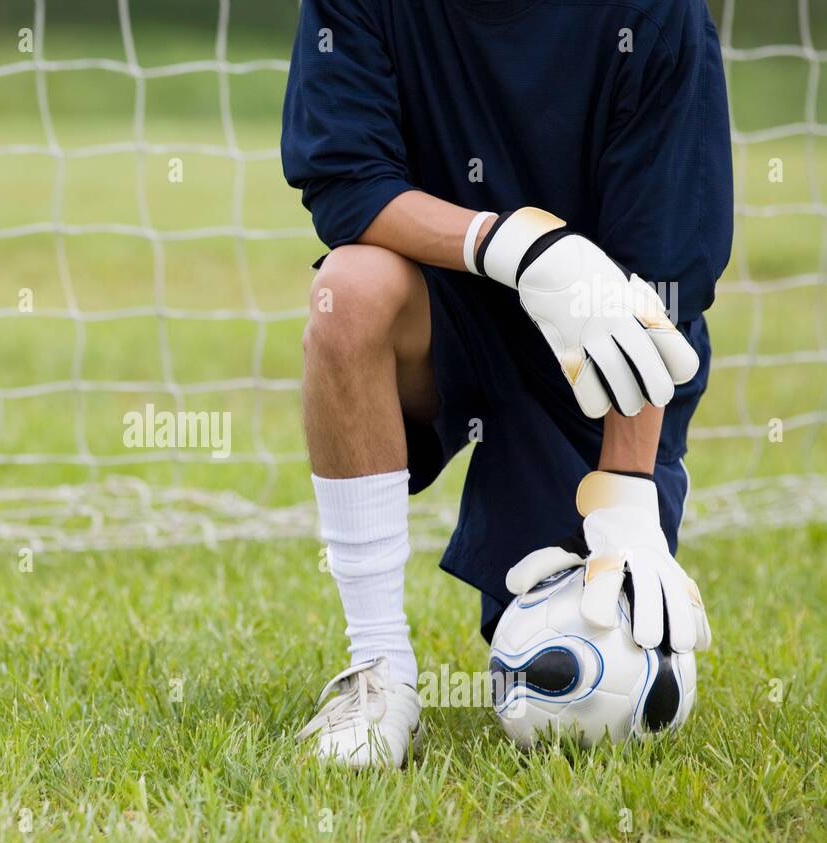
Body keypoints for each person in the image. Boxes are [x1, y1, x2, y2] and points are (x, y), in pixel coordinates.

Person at [282, 0, 732, 767]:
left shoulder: (658, 14)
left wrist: (625, 493)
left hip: (597, 344)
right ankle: (378, 671)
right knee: (347, 291)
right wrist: (514, 247)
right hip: (448, 302)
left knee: (594, 651)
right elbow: (346, 181)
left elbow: (666, 269)